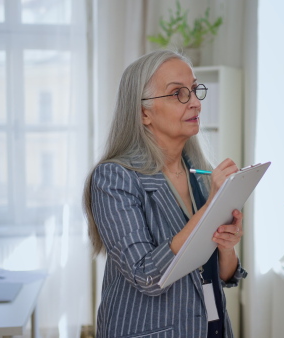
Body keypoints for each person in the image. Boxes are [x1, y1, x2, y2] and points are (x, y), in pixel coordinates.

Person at [82, 50, 247, 338]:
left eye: (195, 90)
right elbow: (145, 274)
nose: (195, 102)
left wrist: (227, 246)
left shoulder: (200, 172)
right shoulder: (114, 178)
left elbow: (224, 275)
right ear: (144, 112)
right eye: (178, 94)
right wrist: (211, 208)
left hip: (210, 328)